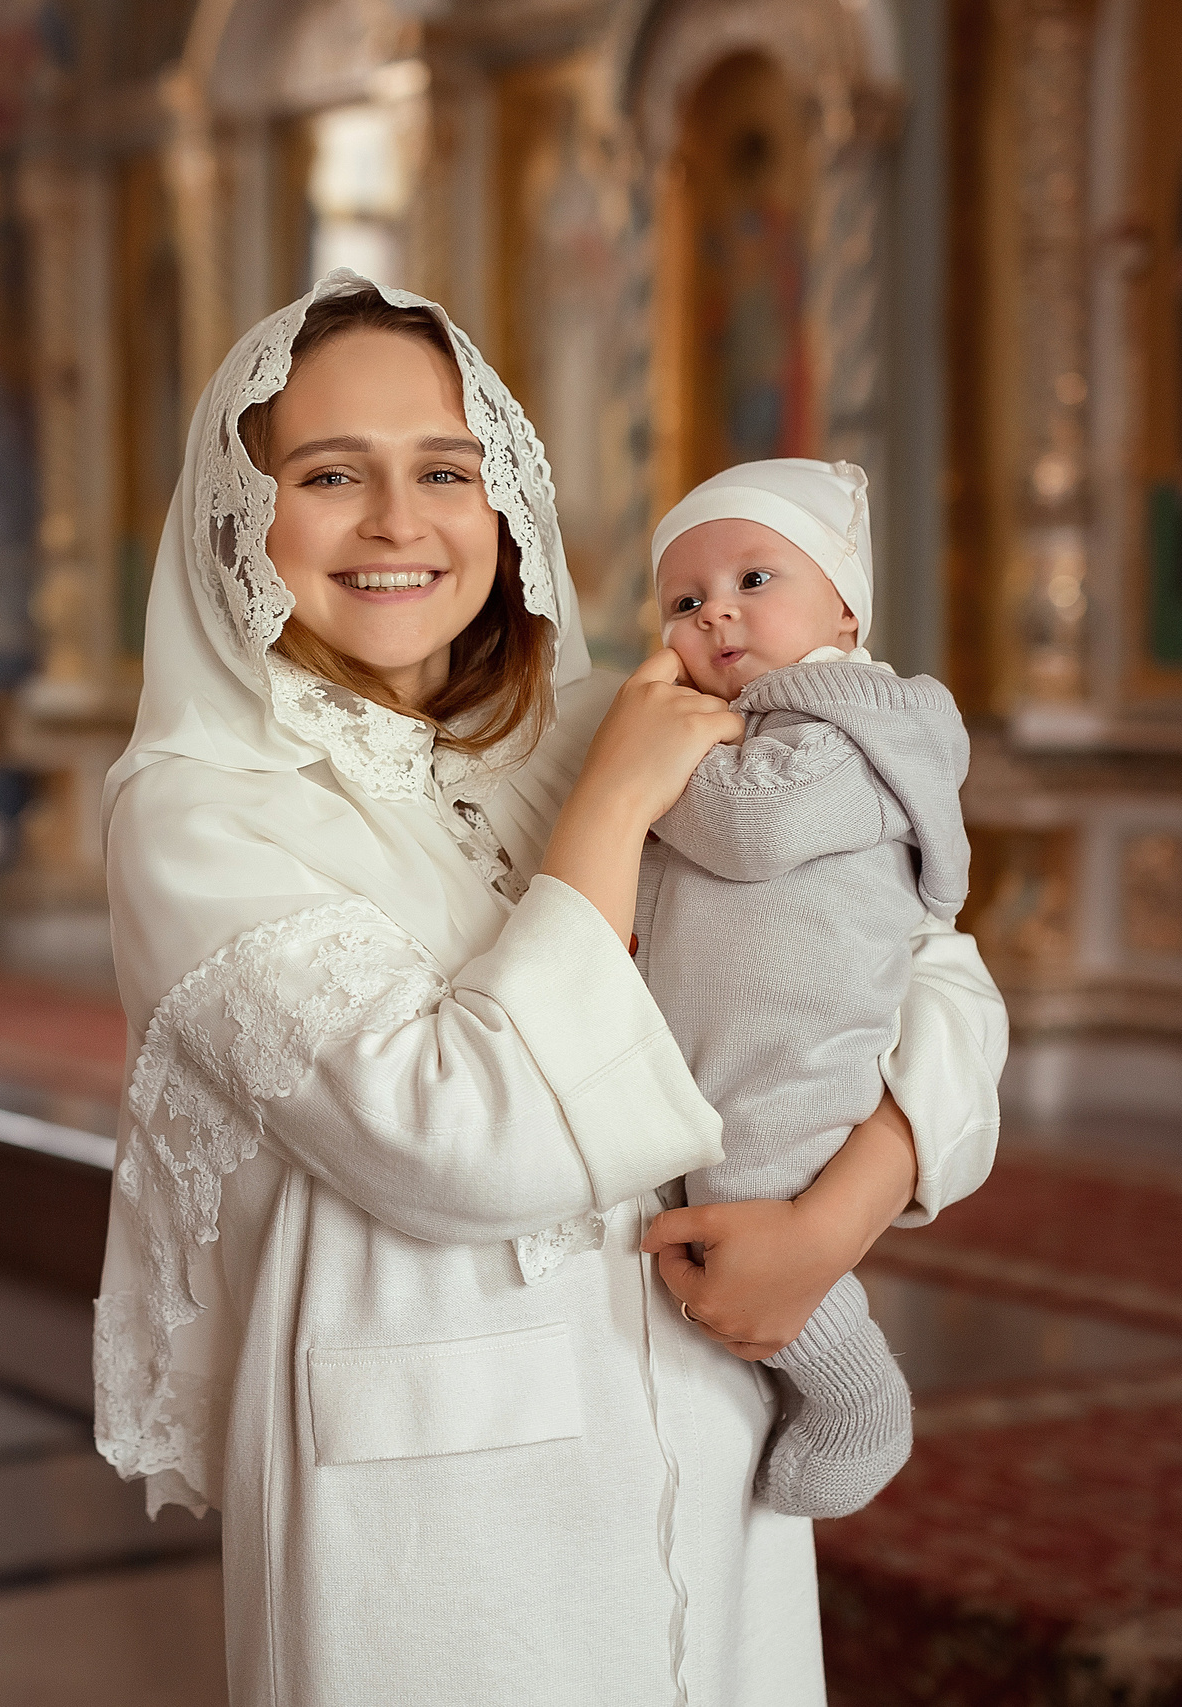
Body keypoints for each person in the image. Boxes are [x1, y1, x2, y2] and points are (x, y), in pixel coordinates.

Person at [95, 272, 1006, 1706]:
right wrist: (618, 802)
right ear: (243, 510)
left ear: (503, 496)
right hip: (433, 1502)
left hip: (711, 1404)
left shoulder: (602, 714)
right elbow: (458, 1140)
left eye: (444, 470)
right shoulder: (203, 811)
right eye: (332, 473)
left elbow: (931, 962)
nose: (399, 522)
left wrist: (835, 1219)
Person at [637, 458, 974, 1522]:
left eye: (752, 579)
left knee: (754, 1193)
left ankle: (857, 1395)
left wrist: (639, 763)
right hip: (726, 1047)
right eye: (683, 603)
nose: (715, 616)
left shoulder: (857, 724)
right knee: (720, 1204)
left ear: (842, 608)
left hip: (799, 1056)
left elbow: (751, 828)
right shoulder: (763, 728)